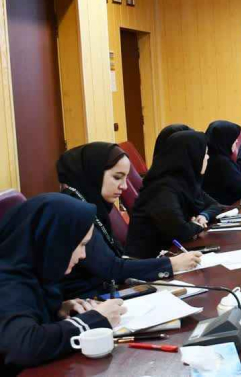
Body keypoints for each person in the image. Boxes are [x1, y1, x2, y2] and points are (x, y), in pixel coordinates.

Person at [56, 142, 202, 298]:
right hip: (86, 301)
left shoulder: (94, 203)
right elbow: (110, 268)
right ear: (93, 173)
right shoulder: (74, 210)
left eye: (125, 178)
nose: (124, 186)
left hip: (105, 293)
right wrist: (172, 264)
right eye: (117, 177)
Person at [0, 194, 126, 373]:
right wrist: (95, 320)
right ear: (54, 241)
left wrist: (57, 310)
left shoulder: (31, 270)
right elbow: (24, 346)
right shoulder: (8, 281)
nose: (83, 255)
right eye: (81, 245)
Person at [126, 131, 222, 259]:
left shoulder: (186, 181)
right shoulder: (162, 189)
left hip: (172, 254)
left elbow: (215, 205)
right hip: (149, 261)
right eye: (204, 153)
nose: (207, 157)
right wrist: (197, 226)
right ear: (191, 156)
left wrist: (203, 216)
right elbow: (181, 232)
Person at [202, 121, 241, 205]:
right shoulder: (222, 162)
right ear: (225, 139)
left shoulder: (207, 156)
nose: (237, 141)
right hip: (229, 207)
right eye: (234, 138)